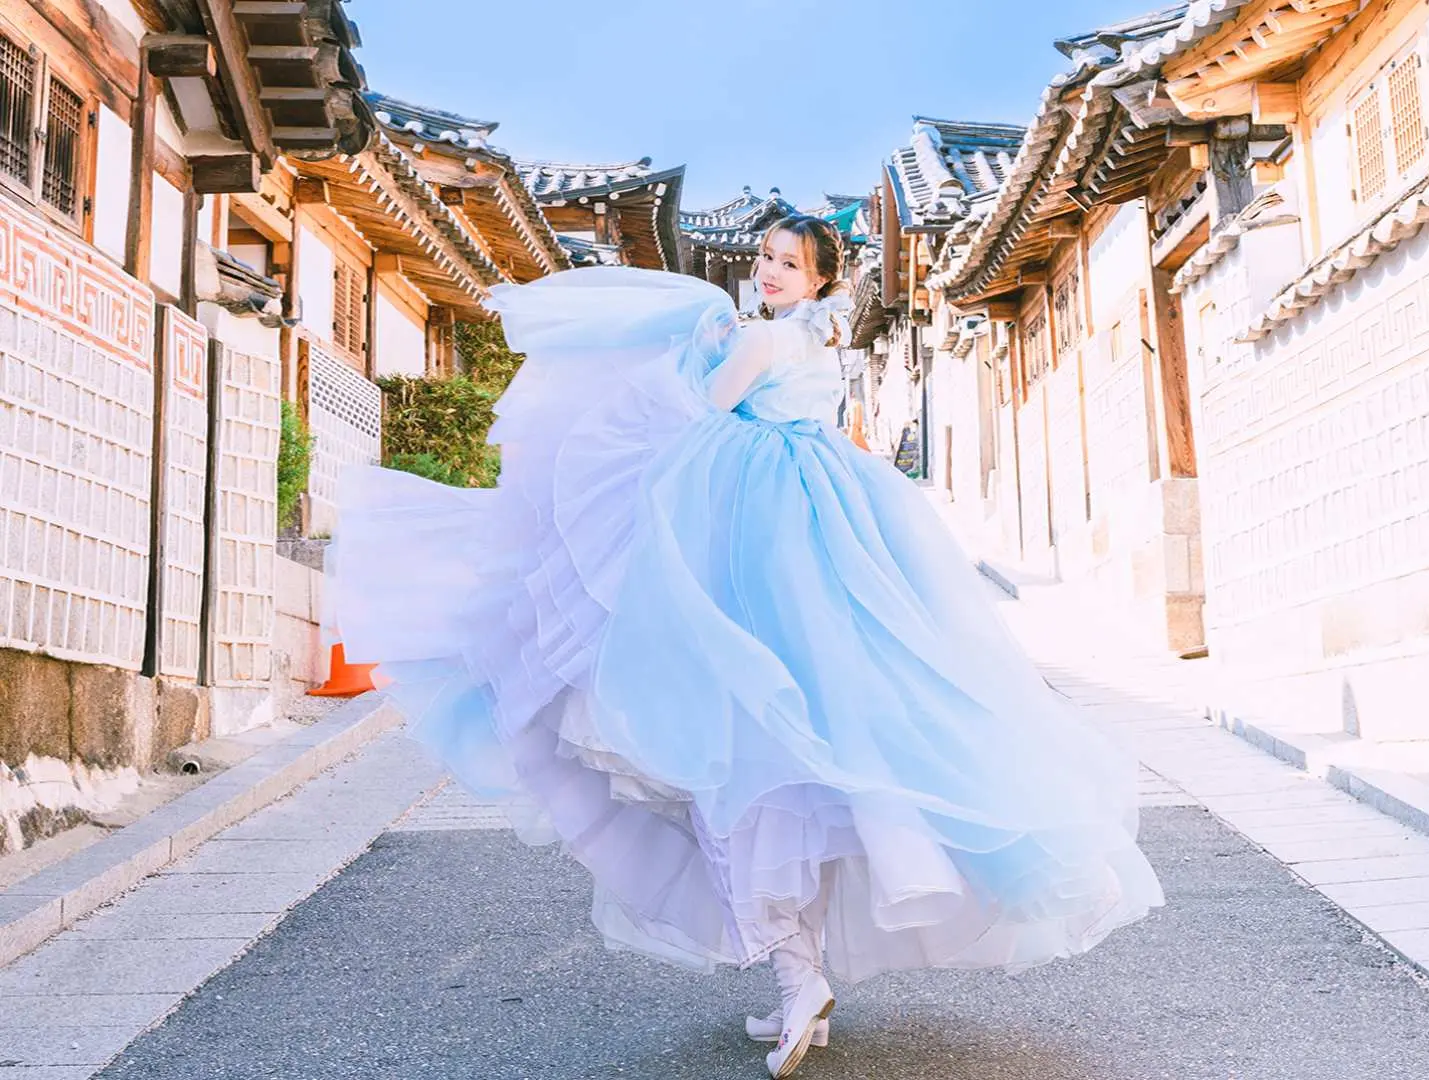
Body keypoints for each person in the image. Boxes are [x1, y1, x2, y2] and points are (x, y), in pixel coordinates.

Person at [327, 215, 1163, 1078]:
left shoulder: (763, 341)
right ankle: (799, 974)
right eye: (764, 257)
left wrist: (634, 409)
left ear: (820, 278)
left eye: (788, 263)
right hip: (822, 543)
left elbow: (693, 416)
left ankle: (799, 976)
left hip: (751, 553)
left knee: (743, 762)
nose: (768, 271)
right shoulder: (821, 347)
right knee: (803, 760)